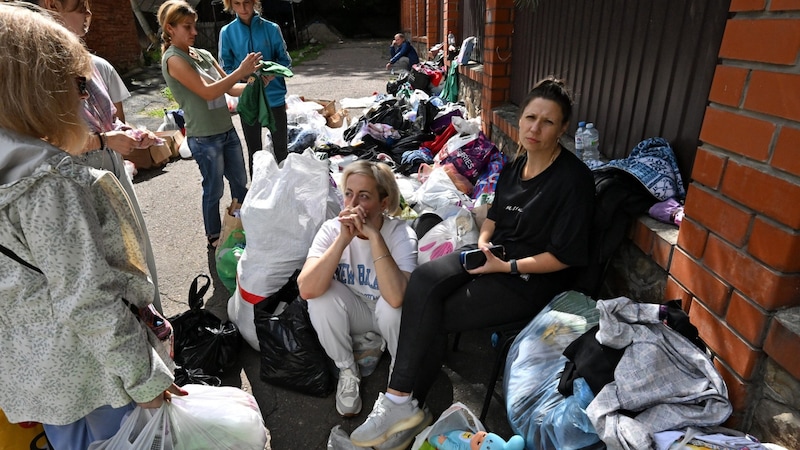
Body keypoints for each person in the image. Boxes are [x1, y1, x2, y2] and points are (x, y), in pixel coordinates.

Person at [350, 77, 596, 448]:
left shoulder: (573, 180)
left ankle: (404, 402)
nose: (534, 128)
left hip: (531, 277)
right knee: (424, 281)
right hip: (494, 257)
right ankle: (403, 402)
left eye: (547, 122)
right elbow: (494, 217)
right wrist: (483, 243)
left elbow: (564, 257)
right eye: (530, 117)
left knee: (435, 314)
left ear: (563, 128)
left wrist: (506, 267)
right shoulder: (517, 165)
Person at [0, 4, 184, 449]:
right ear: (39, 86)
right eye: (79, 84)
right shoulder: (46, 179)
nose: (84, 98)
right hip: (95, 375)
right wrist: (145, 379)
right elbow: (88, 298)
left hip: (39, 375)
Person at [31, 0, 165, 313]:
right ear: (52, 7)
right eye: (80, 7)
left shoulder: (93, 64)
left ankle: (159, 333)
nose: (89, 15)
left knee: (137, 249)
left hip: (112, 169)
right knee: (107, 264)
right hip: (77, 177)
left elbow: (113, 122)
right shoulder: (37, 72)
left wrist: (132, 136)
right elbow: (43, 143)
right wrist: (103, 141)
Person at [297, 161, 418, 419]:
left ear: (383, 203)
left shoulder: (401, 234)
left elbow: (397, 296)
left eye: (364, 196)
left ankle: (400, 376)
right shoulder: (332, 230)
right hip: (356, 312)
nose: (352, 205)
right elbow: (306, 288)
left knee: (392, 305)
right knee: (320, 298)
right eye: (349, 194)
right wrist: (343, 240)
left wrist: (374, 237)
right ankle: (348, 370)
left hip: (387, 312)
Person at [158, 0, 262, 249]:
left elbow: (230, 89)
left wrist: (254, 81)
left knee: (240, 183)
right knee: (213, 190)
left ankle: (242, 224)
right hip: (204, 137)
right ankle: (214, 235)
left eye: (194, 26)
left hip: (226, 131)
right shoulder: (173, 59)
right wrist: (240, 71)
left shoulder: (203, 55)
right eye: (187, 27)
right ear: (170, 29)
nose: (194, 32)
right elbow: (206, 92)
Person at [219, 0, 292, 176]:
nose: (243, 8)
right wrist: (244, 75)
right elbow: (225, 70)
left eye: (246, 2)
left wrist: (273, 72)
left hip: (274, 98)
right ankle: (258, 195)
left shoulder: (272, 28)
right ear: (230, 5)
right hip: (248, 100)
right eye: (237, 3)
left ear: (254, 2)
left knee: (281, 149)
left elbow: (285, 61)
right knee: (255, 152)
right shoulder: (227, 32)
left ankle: (286, 191)